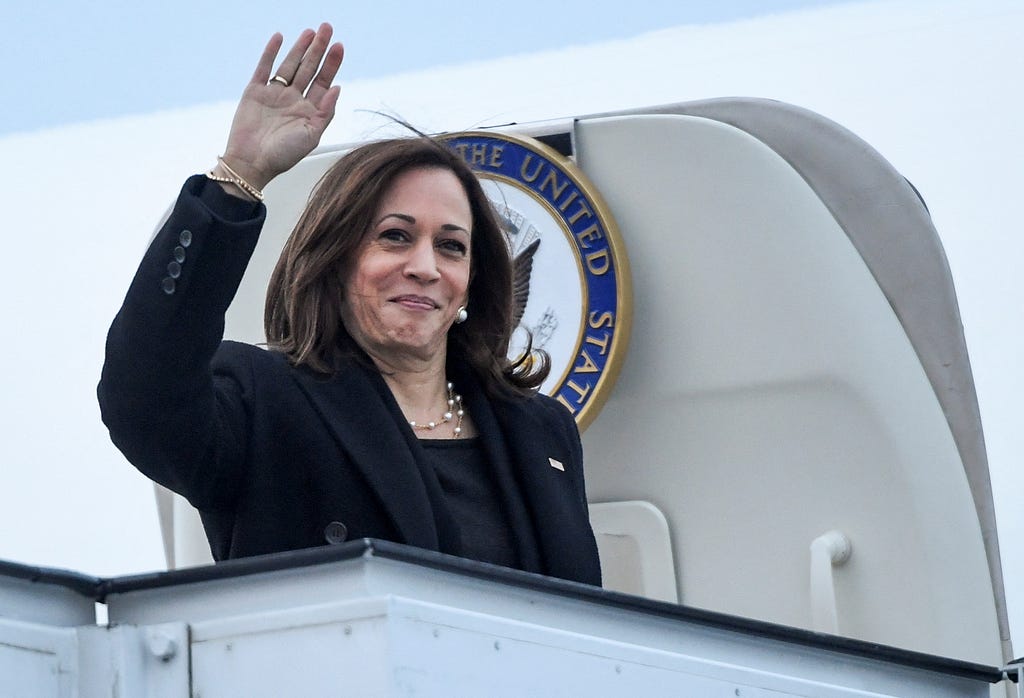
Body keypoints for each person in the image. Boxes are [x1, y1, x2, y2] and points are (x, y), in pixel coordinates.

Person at [97, 24, 601, 586]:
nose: (426, 267)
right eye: (394, 236)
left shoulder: (541, 429)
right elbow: (141, 396)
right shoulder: (263, 401)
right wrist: (240, 177)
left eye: (451, 246)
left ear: (471, 279)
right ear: (334, 259)